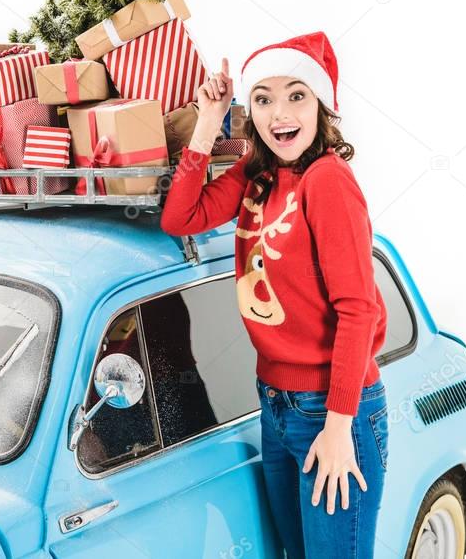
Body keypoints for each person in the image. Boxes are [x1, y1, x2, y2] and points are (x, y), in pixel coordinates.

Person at [160, 32, 390, 559]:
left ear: (322, 104)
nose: (279, 112)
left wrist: (339, 427)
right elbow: (181, 218)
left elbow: (359, 309)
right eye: (262, 98)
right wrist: (206, 118)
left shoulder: (328, 181)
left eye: (296, 94)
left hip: (331, 410)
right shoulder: (257, 173)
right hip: (274, 401)